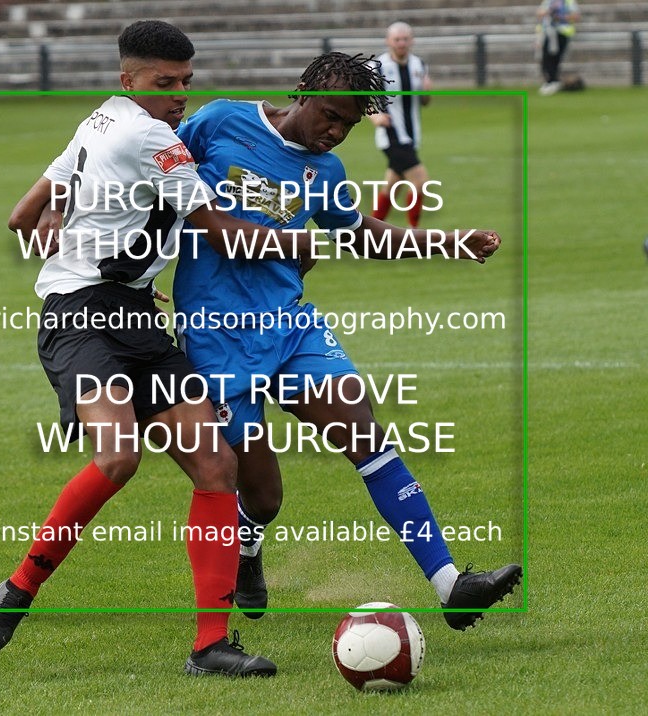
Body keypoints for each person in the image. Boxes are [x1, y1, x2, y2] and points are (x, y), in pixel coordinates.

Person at [0, 20, 318, 678]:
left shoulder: (99, 120)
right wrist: (309, 244)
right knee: (119, 455)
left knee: (216, 468)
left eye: (187, 82)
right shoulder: (149, 135)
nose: (179, 94)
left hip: (132, 316)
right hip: (82, 319)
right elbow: (219, 231)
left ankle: (210, 646)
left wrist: (71, 234)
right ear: (129, 79)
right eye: (166, 83)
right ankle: (18, 589)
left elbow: (22, 215)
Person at [172, 51, 522, 630]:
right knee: (262, 497)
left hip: (290, 326)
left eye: (348, 126)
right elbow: (156, 177)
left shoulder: (324, 172)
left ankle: (450, 584)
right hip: (217, 339)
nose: (335, 132)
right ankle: (249, 551)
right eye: (330, 116)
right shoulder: (219, 122)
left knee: (366, 434)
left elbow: (362, 236)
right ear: (304, 91)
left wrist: (448, 242)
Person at [369, 22, 432, 228]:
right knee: (420, 181)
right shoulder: (377, 66)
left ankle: (370, 232)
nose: (401, 43)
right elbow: (363, 99)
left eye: (405, 39)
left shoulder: (419, 65)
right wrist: (375, 116)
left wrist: (427, 92)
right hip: (391, 135)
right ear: (388, 41)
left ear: (411, 40)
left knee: (391, 187)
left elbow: (425, 101)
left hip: (412, 135)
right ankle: (414, 232)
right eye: (397, 39)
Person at [537, 0, 580, 95]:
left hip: (562, 33)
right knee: (546, 58)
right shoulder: (548, 1)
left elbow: (576, 16)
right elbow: (540, 13)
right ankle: (550, 81)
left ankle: (553, 81)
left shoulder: (569, 2)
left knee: (554, 58)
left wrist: (561, 17)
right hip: (549, 33)